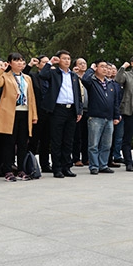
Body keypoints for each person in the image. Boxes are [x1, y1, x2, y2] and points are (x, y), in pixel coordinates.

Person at [0, 52, 38, 181]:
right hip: (10, 113)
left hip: (25, 111)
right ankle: (8, 170)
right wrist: (1, 70)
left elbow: (31, 97)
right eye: (16, 60)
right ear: (10, 63)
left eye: (22, 61)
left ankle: (21, 170)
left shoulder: (27, 78)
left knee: (23, 143)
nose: (20, 63)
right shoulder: (6, 76)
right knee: (9, 143)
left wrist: (34, 115)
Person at [39, 50, 83, 178]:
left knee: (68, 140)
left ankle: (66, 167)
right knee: (57, 140)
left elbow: (77, 94)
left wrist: (79, 110)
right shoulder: (54, 72)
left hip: (71, 110)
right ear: (58, 60)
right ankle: (57, 168)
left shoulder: (73, 75)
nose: (67, 61)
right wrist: (50, 62)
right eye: (64, 58)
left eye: (69, 58)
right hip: (58, 110)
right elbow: (42, 75)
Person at [81, 60, 120, 175]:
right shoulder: (92, 82)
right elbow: (84, 79)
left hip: (109, 118)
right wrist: (91, 69)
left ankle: (103, 165)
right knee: (93, 144)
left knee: (106, 144)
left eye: (106, 67)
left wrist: (116, 116)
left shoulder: (111, 84)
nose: (105, 69)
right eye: (102, 66)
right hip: (95, 117)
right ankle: (94, 166)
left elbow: (115, 102)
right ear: (96, 68)